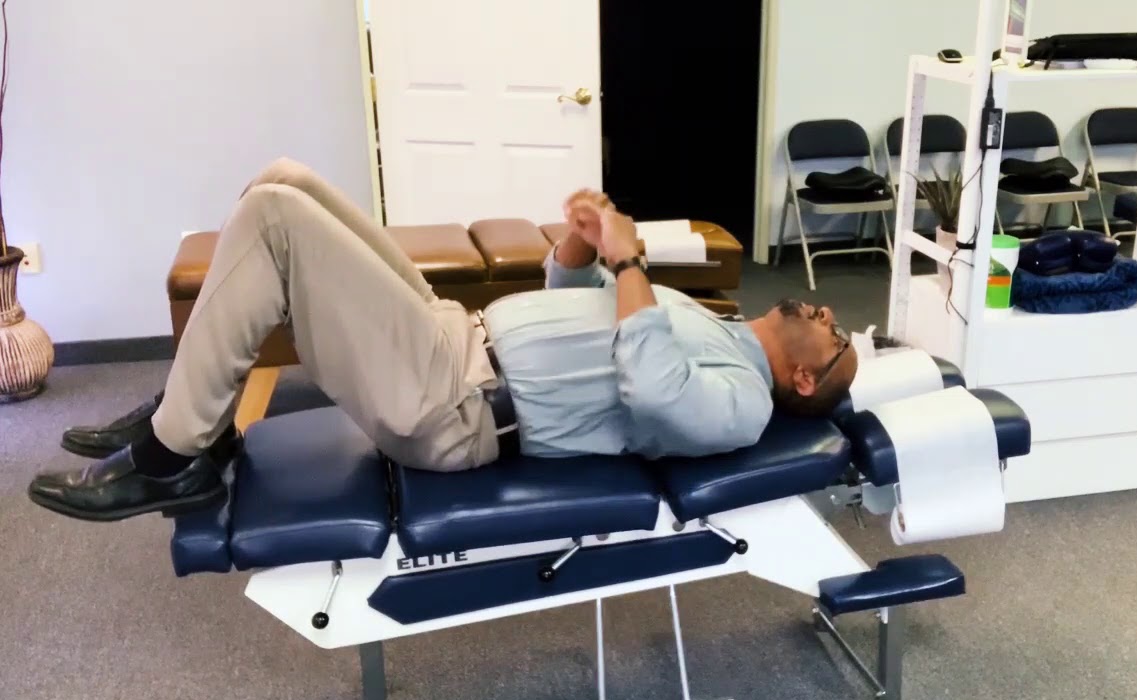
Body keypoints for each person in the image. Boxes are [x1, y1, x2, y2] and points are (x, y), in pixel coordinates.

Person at [29, 159, 858, 523]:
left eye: (836, 337)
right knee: (284, 179)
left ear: (804, 381)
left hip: (454, 406)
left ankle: (170, 458)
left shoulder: (744, 405)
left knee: (273, 221)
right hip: (450, 332)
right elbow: (576, 308)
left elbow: (654, 391)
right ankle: (192, 414)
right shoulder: (712, 319)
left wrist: (631, 260)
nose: (827, 315)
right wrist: (579, 249)